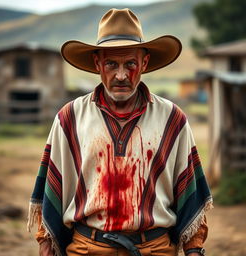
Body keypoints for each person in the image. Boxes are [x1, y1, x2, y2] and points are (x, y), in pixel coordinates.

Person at [27, 8, 213, 256]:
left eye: (131, 64)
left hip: (154, 249)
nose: (121, 75)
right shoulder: (69, 118)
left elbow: (190, 192)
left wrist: (194, 251)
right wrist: (46, 246)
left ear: (144, 63)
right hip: (87, 249)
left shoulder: (172, 120)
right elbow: (53, 193)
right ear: (97, 64)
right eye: (111, 64)